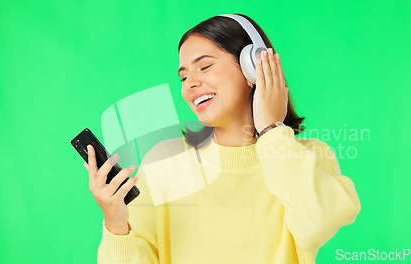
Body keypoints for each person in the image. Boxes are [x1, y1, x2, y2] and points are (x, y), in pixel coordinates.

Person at [84, 14, 361, 264]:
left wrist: (271, 133)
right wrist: (116, 223)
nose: (189, 84)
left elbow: (319, 223)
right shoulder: (165, 162)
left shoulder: (308, 156)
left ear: (253, 67)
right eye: (183, 76)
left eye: (204, 67)